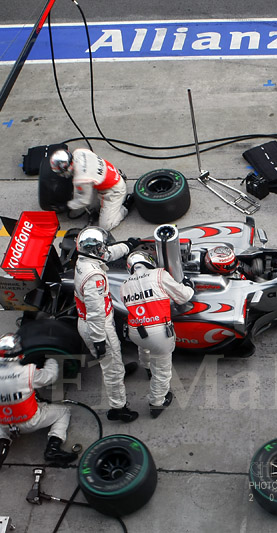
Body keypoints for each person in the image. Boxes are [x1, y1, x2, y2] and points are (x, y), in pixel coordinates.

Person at [73, 227, 139, 423]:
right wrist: (99, 340)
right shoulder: (93, 277)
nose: (105, 249)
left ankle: (119, 369)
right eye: (102, 246)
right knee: (112, 368)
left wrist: (128, 245)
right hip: (98, 326)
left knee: (114, 361)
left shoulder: (85, 259)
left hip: (93, 320)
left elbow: (109, 254)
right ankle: (118, 408)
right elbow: (95, 314)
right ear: (94, 249)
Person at [0, 333, 78, 470]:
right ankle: (53, 447)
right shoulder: (27, 372)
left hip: (5, 424)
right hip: (29, 421)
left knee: (0, 414)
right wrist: (50, 357)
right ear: (20, 354)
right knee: (64, 412)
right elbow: (50, 376)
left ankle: (2, 442)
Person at [120, 251, 194, 419]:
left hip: (136, 331)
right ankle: (157, 403)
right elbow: (183, 297)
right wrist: (189, 286)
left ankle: (147, 368)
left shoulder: (124, 284)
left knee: (144, 347)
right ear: (148, 261)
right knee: (162, 370)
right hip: (159, 332)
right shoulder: (159, 274)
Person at [50, 149, 134, 232]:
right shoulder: (79, 152)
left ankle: (126, 204)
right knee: (87, 198)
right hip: (109, 173)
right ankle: (120, 176)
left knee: (105, 226)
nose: (61, 175)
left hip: (114, 190)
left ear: (66, 167)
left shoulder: (81, 179)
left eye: (60, 172)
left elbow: (84, 200)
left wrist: (67, 205)